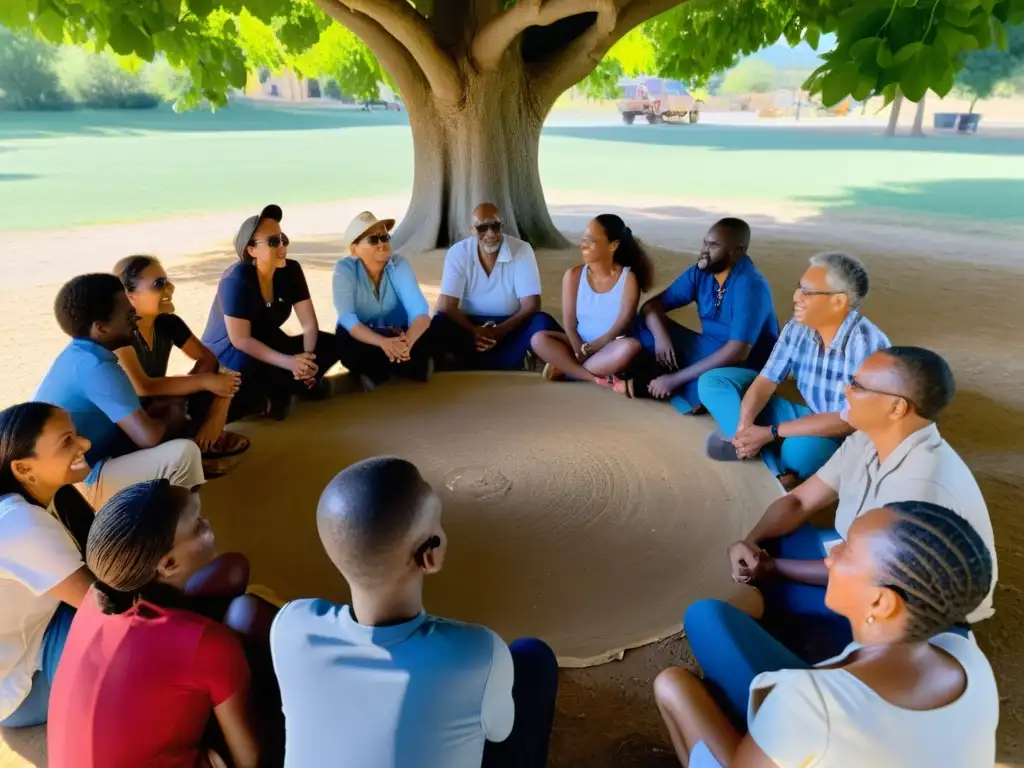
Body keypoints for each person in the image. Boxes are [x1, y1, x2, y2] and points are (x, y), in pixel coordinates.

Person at [654, 501, 998, 768]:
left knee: (672, 685)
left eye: (846, 550)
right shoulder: (964, 654)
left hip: (815, 721)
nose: (830, 556)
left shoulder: (806, 701)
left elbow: (814, 707)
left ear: (880, 600)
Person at [270, 457, 559, 768]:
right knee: (533, 657)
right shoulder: (478, 653)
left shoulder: (290, 625)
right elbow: (501, 733)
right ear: (429, 556)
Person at [726, 347, 997, 661]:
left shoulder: (921, 485)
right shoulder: (868, 437)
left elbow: (877, 577)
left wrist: (772, 568)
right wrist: (752, 540)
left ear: (896, 407)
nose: (845, 391)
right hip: (862, 561)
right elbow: (800, 501)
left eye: (857, 386)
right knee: (776, 542)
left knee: (730, 621)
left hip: (906, 607)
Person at [48, 479, 273, 768]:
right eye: (198, 524)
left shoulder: (97, 598)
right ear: (168, 564)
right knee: (249, 617)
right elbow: (250, 757)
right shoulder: (206, 643)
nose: (209, 524)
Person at [699, 252, 891, 487]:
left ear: (838, 302)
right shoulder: (797, 327)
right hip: (807, 416)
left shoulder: (867, 344)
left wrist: (772, 432)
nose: (796, 297)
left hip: (841, 434)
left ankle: (763, 457)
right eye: (798, 287)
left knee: (800, 450)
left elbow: (852, 421)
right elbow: (765, 381)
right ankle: (748, 444)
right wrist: (745, 425)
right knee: (713, 382)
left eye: (808, 292)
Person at [34, 273, 205, 510]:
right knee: (184, 455)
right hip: (76, 484)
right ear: (101, 329)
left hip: (85, 460)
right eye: (128, 315)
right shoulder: (97, 367)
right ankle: (173, 528)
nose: (135, 319)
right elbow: (149, 438)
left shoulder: (80, 355)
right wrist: (174, 415)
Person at [0, 403, 95, 728]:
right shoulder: (19, 524)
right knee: (123, 644)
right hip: (18, 688)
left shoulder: (50, 497)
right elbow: (106, 608)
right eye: (66, 441)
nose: (85, 444)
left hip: (42, 629)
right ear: (24, 469)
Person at [622, 218, 778, 412]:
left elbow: (738, 351)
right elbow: (651, 307)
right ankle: (671, 377)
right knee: (643, 324)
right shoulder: (701, 272)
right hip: (706, 348)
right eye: (705, 242)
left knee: (708, 385)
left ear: (737, 252)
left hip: (742, 363)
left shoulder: (750, 285)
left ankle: (675, 381)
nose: (704, 250)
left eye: (714, 245)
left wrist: (674, 379)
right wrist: (662, 338)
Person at [201, 204, 339, 421]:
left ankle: (290, 387)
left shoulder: (291, 270)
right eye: (274, 241)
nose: (282, 246)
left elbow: (309, 324)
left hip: (269, 343)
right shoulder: (236, 280)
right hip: (231, 354)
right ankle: (284, 391)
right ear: (251, 250)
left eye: (283, 238)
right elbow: (241, 340)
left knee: (332, 343)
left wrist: (307, 361)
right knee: (249, 372)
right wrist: (291, 363)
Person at [114, 255, 249, 466]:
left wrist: (218, 403)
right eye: (159, 284)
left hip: (159, 406)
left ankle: (195, 437)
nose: (170, 288)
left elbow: (207, 359)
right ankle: (190, 446)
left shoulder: (168, 324)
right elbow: (143, 387)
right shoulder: (120, 335)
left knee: (233, 383)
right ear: (129, 295)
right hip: (129, 422)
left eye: (167, 281)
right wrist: (204, 382)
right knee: (210, 385)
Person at [430, 203, 561, 371]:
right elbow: (447, 305)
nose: (490, 233)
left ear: (502, 226)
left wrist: (500, 331)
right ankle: (501, 360)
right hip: (469, 327)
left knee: (541, 321)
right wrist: (474, 331)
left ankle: (465, 362)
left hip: (510, 326)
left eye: (495, 226)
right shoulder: (458, 252)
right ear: (472, 230)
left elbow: (531, 305)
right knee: (440, 320)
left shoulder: (521, 249)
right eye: (482, 228)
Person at [530, 214, 653, 387]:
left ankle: (568, 369)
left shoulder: (628, 279)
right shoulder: (572, 276)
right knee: (538, 339)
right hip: (578, 345)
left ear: (613, 245)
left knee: (630, 347)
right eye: (583, 239)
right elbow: (570, 324)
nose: (583, 245)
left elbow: (623, 323)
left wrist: (597, 345)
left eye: (591, 240)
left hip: (609, 347)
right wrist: (578, 348)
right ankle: (592, 377)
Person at [332, 211, 435, 391]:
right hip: (368, 339)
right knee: (342, 338)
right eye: (373, 240)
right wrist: (383, 343)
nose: (381, 244)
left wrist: (407, 342)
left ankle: (380, 370)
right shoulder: (344, 270)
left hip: (400, 335)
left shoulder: (399, 264)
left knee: (433, 329)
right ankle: (401, 366)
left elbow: (420, 312)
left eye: (384, 237)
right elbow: (348, 318)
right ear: (354, 250)